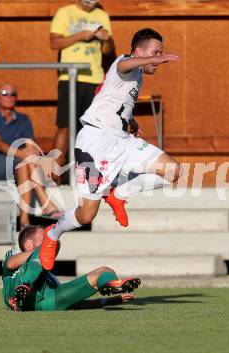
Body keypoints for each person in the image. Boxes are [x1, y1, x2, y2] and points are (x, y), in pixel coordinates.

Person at [39, 28, 182, 270]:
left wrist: (130, 122)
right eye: (156, 53)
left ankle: (118, 194)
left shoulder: (137, 73)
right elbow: (124, 66)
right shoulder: (124, 62)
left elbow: (115, 101)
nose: (160, 59)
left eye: (161, 54)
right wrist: (151, 59)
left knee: (172, 171)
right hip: (95, 142)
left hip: (121, 139)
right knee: (86, 215)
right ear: (139, 51)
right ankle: (52, 234)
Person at [0, 84, 63, 227]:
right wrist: (23, 154)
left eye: (13, 94)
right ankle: (45, 204)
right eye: (5, 93)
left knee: (25, 163)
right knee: (25, 161)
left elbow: (30, 146)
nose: (9, 97)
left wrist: (32, 157)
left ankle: (24, 220)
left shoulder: (24, 119)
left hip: (19, 164)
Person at [2, 225, 140, 312]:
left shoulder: (50, 278)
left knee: (105, 270)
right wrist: (45, 247)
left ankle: (108, 284)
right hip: (17, 290)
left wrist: (109, 301)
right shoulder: (13, 255)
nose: (49, 239)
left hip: (47, 302)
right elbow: (11, 264)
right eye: (44, 237)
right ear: (28, 244)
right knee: (48, 246)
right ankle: (24, 287)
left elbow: (72, 304)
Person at [50, 0, 114, 180]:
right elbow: (54, 43)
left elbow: (108, 51)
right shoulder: (64, 12)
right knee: (65, 126)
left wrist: (106, 39)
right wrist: (81, 36)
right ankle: (54, 174)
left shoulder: (102, 15)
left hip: (95, 78)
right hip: (70, 77)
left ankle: (89, 174)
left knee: (92, 128)